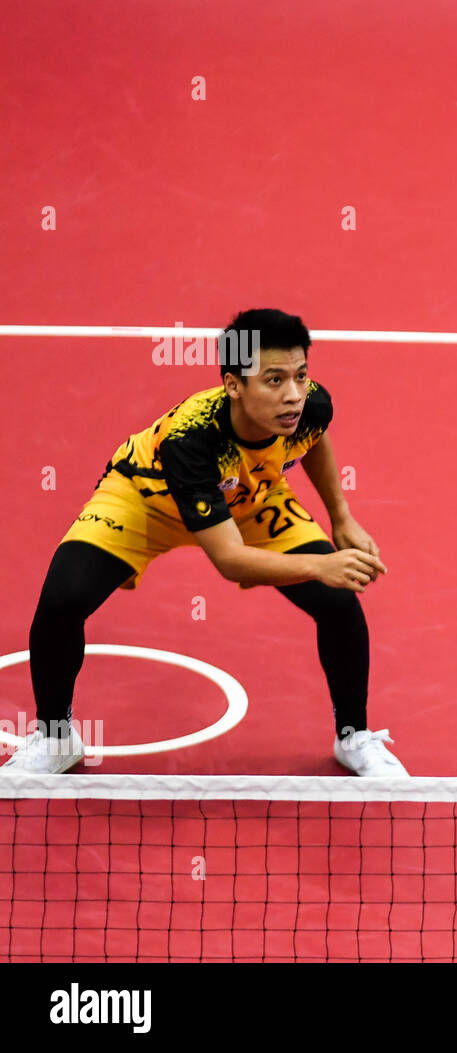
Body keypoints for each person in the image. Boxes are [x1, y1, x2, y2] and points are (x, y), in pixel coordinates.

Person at [2, 309, 407, 777]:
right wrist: (320, 566)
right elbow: (231, 561)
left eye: (300, 375)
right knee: (63, 597)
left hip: (250, 493)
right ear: (233, 384)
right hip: (147, 498)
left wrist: (341, 516)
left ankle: (353, 736)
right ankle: (56, 737)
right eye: (273, 380)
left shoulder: (309, 405)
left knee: (339, 603)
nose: (293, 394)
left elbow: (311, 438)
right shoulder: (191, 440)